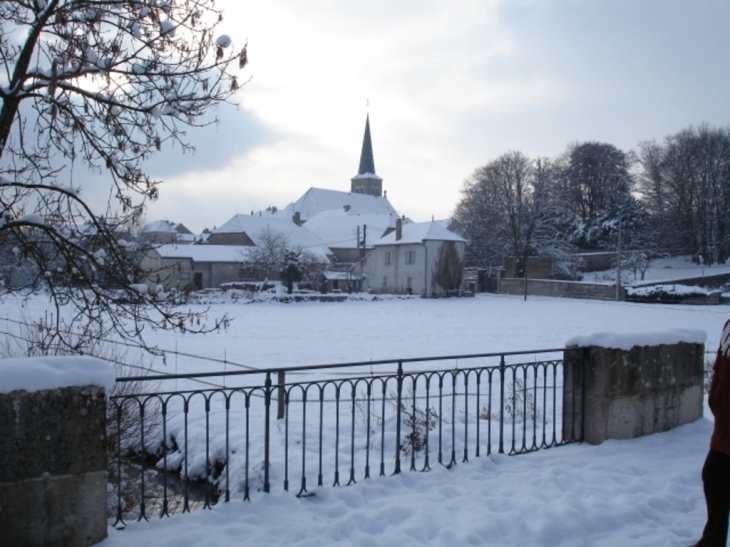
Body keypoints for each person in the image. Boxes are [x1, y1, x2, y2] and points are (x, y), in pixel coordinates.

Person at [694, 320, 730, 546]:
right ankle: (712, 541)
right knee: (713, 478)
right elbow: (719, 365)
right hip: (725, 426)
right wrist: (714, 398)